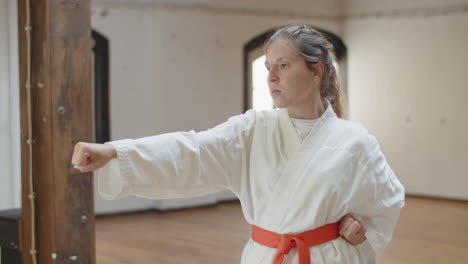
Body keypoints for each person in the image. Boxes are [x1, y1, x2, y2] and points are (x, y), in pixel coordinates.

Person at [72, 24, 404, 264]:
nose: (272, 76)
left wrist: (362, 229)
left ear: (316, 71)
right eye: (268, 67)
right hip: (267, 256)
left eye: (284, 66)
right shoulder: (253, 130)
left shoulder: (355, 141)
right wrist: (117, 152)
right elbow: (194, 151)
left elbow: (386, 201)